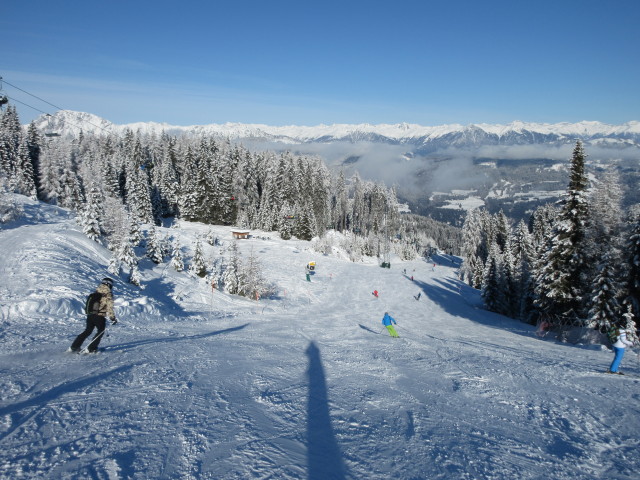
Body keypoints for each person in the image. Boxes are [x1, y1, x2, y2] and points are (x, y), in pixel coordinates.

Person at [70, 277, 117, 353]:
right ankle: (91, 348)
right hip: (99, 316)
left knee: (87, 331)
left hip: (90, 315)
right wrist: (112, 318)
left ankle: (74, 346)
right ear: (109, 285)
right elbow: (109, 308)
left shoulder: (96, 292)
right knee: (101, 331)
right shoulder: (108, 294)